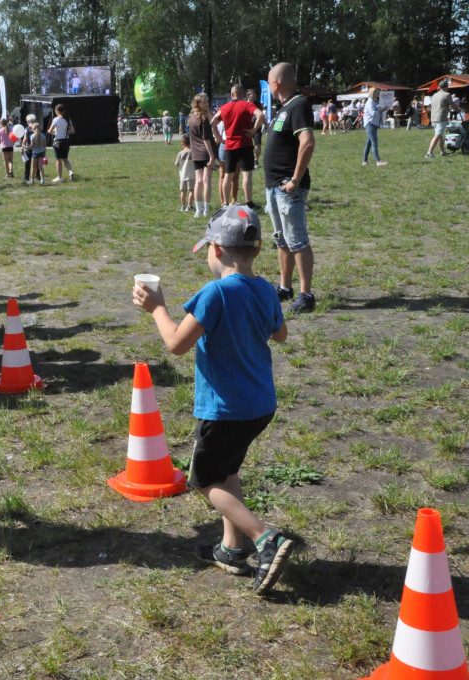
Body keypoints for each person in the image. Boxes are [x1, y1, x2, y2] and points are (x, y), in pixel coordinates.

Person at [132, 205, 292, 595]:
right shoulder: (266, 289)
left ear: (216, 250)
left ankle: (264, 538)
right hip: (259, 405)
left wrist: (156, 309)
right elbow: (281, 334)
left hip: (225, 408)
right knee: (227, 468)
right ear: (255, 251)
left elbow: (175, 343)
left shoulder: (215, 292)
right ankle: (231, 550)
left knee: (204, 479)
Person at [263, 62, 317, 313]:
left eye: (270, 83)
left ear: (276, 83)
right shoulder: (284, 107)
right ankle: (285, 287)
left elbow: (307, 143)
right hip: (274, 186)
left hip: (288, 188)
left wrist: (295, 180)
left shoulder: (299, 105)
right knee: (281, 240)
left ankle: (306, 295)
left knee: (297, 241)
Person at [211, 84, 267, 210]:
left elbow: (213, 122)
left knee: (228, 175)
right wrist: (253, 130)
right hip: (245, 144)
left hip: (229, 146)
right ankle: (249, 202)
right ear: (244, 95)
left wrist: (219, 138)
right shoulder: (248, 105)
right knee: (247, 174)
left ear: (232, 94)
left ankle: (225, 203)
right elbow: (261, 115)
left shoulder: (224, 108)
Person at [188, 93, 215, 217]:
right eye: (204, 102)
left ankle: (198, 210)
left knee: (198, 181)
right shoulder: (203, 118)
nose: (207, 104)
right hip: (205, 151)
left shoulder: (192, 117)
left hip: (195, 152)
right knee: (206, 180)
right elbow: (206, 138)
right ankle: (206, 210)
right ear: (198, 103)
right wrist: (212, 156)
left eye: (207, 101)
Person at [425, 80, 458, 158]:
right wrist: (458, 109)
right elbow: (452, 104)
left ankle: (442, 151)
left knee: (439, 135)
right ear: (446, 86)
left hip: (433, 117)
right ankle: (429, 153)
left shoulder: (435, 95)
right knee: (438, 135)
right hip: (441, 117)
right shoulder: (447, 94)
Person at [47, 103, 75, 183]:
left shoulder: (56, 119)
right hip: (66, 141)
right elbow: (73, 130)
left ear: (57, 111)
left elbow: (49, 131)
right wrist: (65, 132)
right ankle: (70, 171)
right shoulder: (67, 119)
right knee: (65, 159)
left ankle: (60, 177)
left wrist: (55, 132)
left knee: (58, 160)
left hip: (58, 141)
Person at [361, 87, 388, 167]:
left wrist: (381, 108)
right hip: (370, 124)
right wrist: (381, 110)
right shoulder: (370, 102)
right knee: (374, 143)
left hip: (373, 124)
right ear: (373, 93)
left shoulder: (373, 102)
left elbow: (376, 109)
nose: (378, 94)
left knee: (369, 143)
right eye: (376, 92)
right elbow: (373, 113)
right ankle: (378, 161)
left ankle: (365, 161)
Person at [175, 133, 196, 212]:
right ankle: (189, 206)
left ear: (182, 144)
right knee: (192, 191)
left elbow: (176, 164)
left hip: (182, 175)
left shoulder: (180, 153)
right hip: (192, 175)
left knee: (183, 191)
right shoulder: (193, 152)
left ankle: (183, 206)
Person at [246, 90, 264, 167]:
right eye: (252, 95)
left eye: (254, 94)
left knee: (258, 144)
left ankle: (255, 160)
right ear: (248, 96)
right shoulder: (245, 104)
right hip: (247, 127)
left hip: (256, 128)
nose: (254, 96)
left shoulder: (258, 104)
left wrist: (265, 124)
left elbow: (261, 115)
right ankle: (248, 159)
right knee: (247, 145)